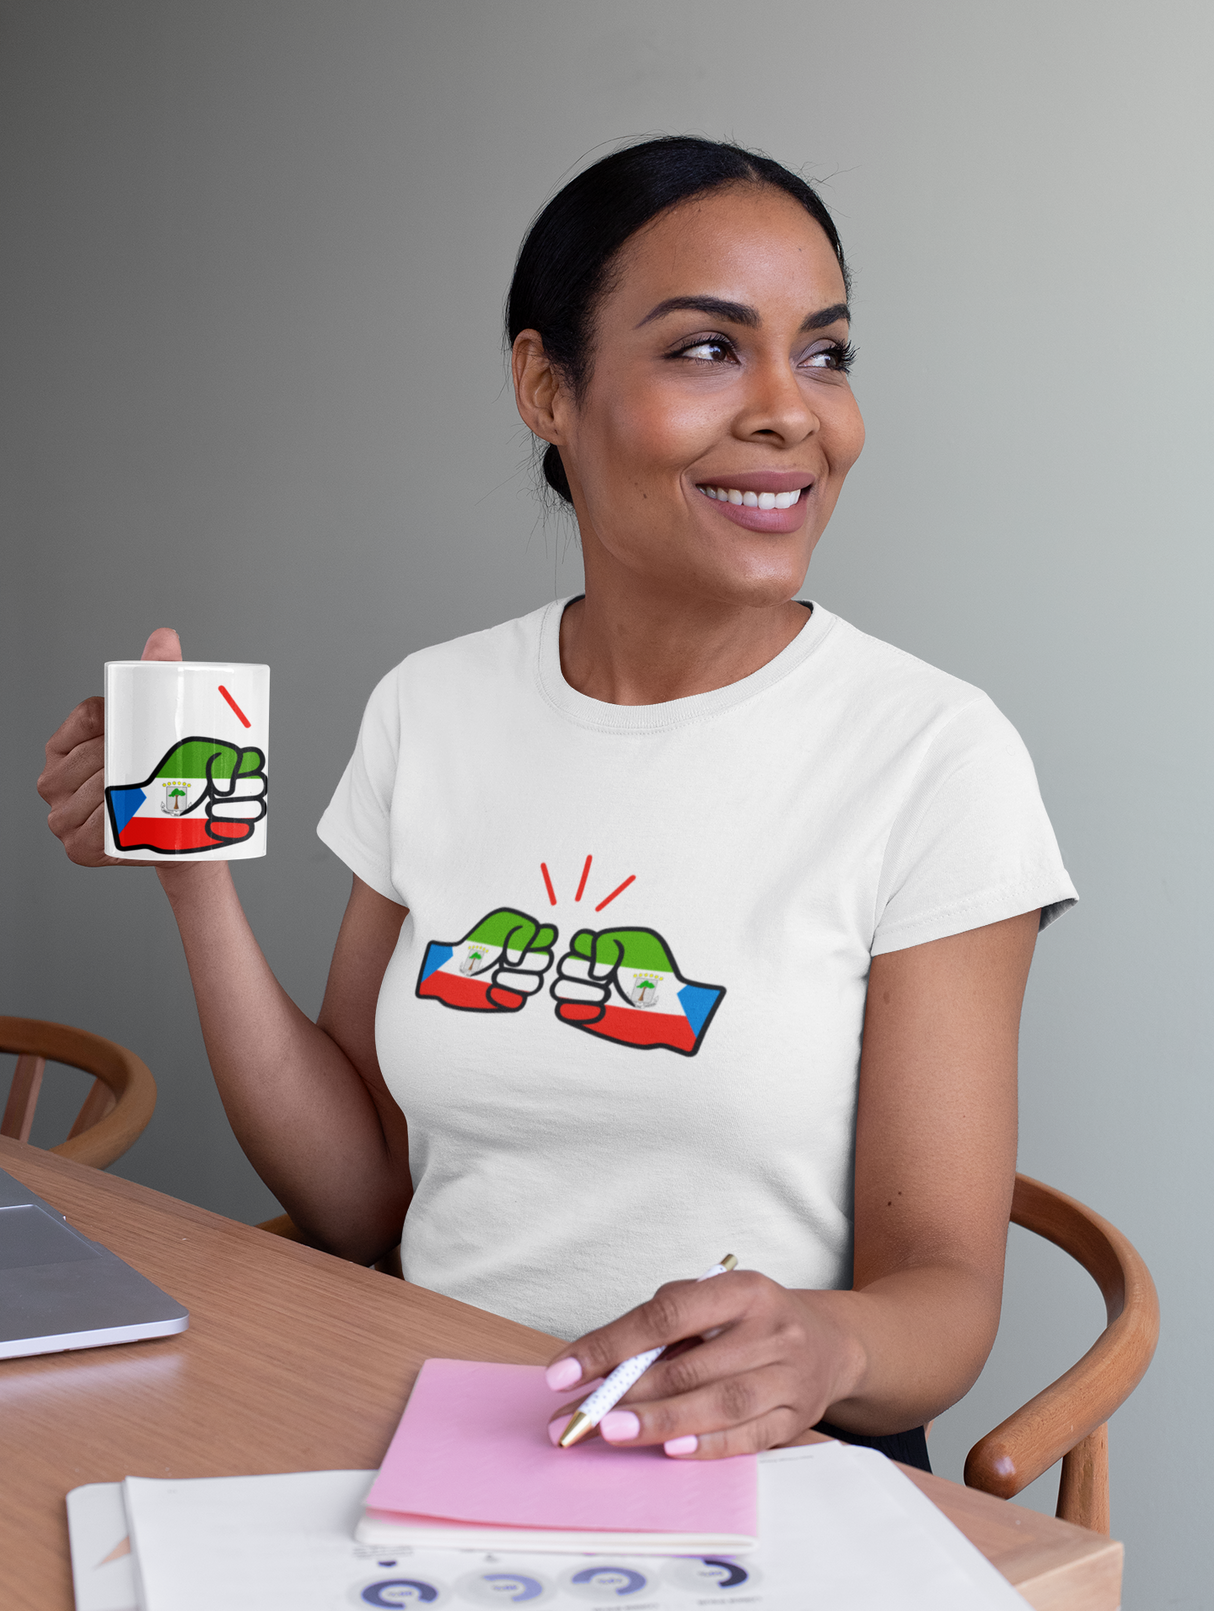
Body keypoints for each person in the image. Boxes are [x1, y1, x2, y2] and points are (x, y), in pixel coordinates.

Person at [38, 136, 1076, 1470]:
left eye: (822, 353)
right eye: (706, 348)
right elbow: (361, 1197)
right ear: (545, 385)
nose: (788, 410)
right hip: (421, 1429)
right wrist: (194, 874)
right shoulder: (436, 705)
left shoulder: (932, 754)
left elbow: (942, 1289)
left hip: (743, 1475)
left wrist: (831, 1344)